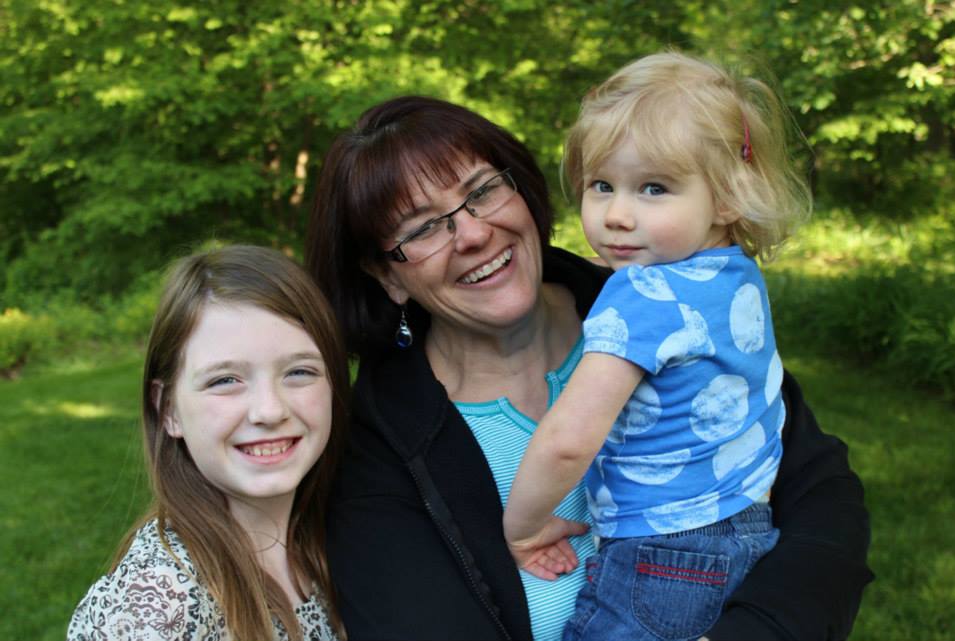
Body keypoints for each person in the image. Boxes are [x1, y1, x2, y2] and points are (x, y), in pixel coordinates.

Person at [306, 95, 873, 641]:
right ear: (385, 276)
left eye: (482, 191)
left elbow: (824, 502)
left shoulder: (653, 307)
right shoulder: (373, 448)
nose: (474, 234)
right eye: (423, 228)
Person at [501, 51, 810, 641]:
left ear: (727, 199)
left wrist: (524, 526)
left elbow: (567, 442)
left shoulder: (639, 297)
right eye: (601, 185)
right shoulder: (731, 271)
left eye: (653, 188)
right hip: (743, 522)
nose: (616, 215)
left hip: (661, 550)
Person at [68, 246, 348, 641]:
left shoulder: (332, 540)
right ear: (168, 410)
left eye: (299, 372)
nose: (269, 411)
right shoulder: (159, 605)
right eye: (225, 380)